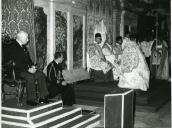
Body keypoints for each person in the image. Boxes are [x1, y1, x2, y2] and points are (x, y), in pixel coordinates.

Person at [9, 31, 49, 106]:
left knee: (40, 74)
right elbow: (15, 63)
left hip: (26, 69)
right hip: (17, 71)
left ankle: (42, 97)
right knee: (30, 76)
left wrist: (32, 66)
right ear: (20, 39)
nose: (28, 40)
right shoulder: (13, 46)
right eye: (26, 38)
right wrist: (28, 69)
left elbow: (28, 59)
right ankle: (30, 99)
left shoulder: (23, 46)